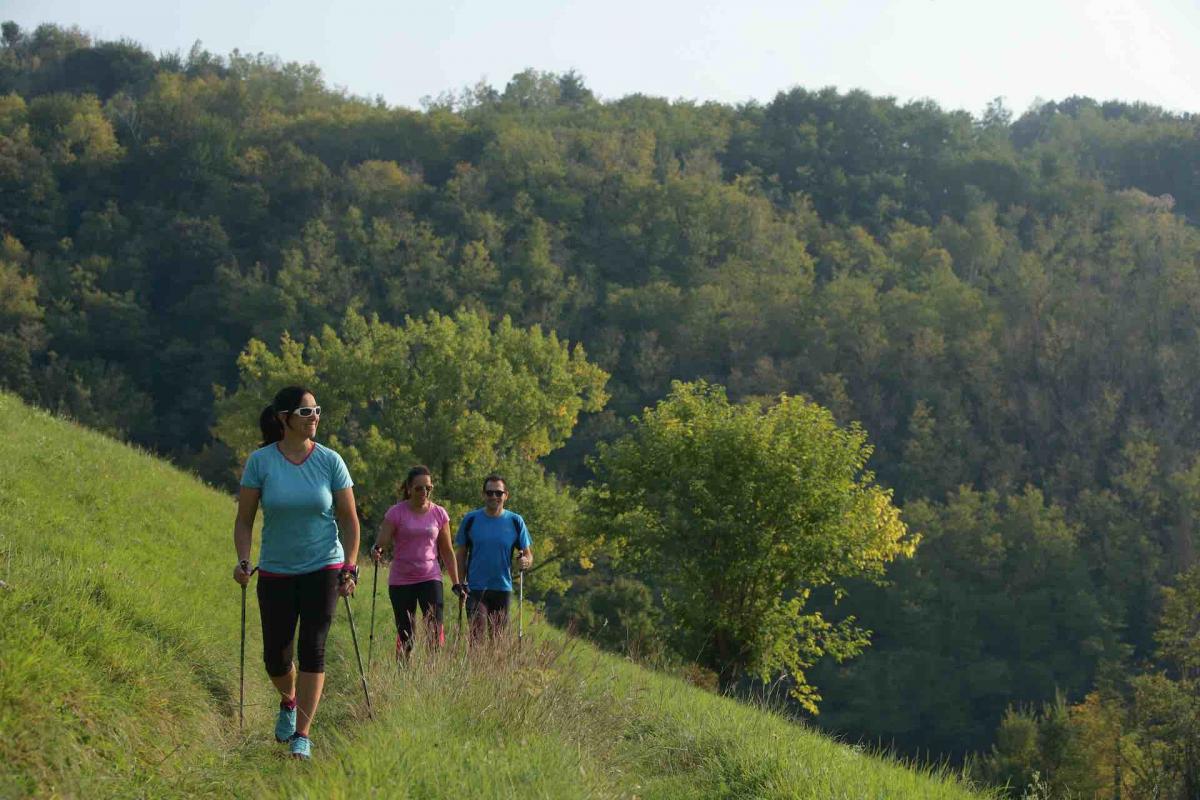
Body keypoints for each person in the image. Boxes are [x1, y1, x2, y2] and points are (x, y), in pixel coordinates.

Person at [232, 385, 360, 761]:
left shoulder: (331, 461)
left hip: (323, 565)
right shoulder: (261, 462)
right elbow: (244, 521)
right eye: (307, 412)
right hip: (275, 568)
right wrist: (243, 558)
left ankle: (302, 733)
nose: (315, 417)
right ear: (284, 418)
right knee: (275, 656)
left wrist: (350, 566)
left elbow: (350, 522)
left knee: (313, 649)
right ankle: (289, 700)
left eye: (317, 410)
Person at [370, 465, 461, 659]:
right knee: (406, 634)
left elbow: (446, 550)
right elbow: (382, 541)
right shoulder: (396, 513)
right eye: (419, 488)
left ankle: (433, 676)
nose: (424, 492)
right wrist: (377, 551)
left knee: (435, 631)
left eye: (428, 488)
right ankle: (403, 673)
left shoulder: (439, 514)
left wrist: (456, 582)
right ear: (409, 488)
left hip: (430, 576)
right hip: (401, 580)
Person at [454, 474, 533, 641]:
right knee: (477, 638)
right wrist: (460, 583)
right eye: (489, 493)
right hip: (475, 588)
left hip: (502, 588)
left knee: (497, 640)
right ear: (483, 494)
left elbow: (528, 554)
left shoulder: (515, 521)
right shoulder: (471, 519)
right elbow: (460, 554)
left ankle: (494, 667)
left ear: (506, 495)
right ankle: (475, 668)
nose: (494, 497)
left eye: (498, 493)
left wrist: (525, 561)